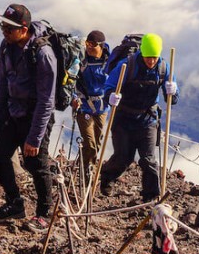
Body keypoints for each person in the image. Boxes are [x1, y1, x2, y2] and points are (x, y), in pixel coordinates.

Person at [0, 3, 58, 233]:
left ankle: (44, 214)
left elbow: (47, 100)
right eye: (3, 26)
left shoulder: (43, 54)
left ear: (24, 29)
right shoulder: (6, 47)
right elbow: (2, 83)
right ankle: (15, 203)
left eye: (9, 28)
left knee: (36, 164)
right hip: (12, 112)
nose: (4, 31)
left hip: (35, 117)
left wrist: (35, 138)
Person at [97, 33, 178, 204]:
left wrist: (173, 91)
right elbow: (109, 87)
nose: (151, 61)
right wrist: (111, 96)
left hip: (147, 119)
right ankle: (106, 178)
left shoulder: (163, 67)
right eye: (148, 57)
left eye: (154, 58)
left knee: (148, 160)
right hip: (123, 119)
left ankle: (151, 198)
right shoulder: (127, 65)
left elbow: (172, 98)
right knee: (123, 158)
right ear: (142, 53)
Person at [71, 30, 109, 183]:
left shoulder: (110, 61)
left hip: (102, 107)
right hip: (83, 105)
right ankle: (86, 170)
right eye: (87, 45)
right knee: (90, 142)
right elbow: (71, 79)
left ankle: (86, 164)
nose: (88, 49)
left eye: (92, 46)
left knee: (97, 141)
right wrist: (73, 98)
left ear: (101, 46)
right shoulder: (80, 59)